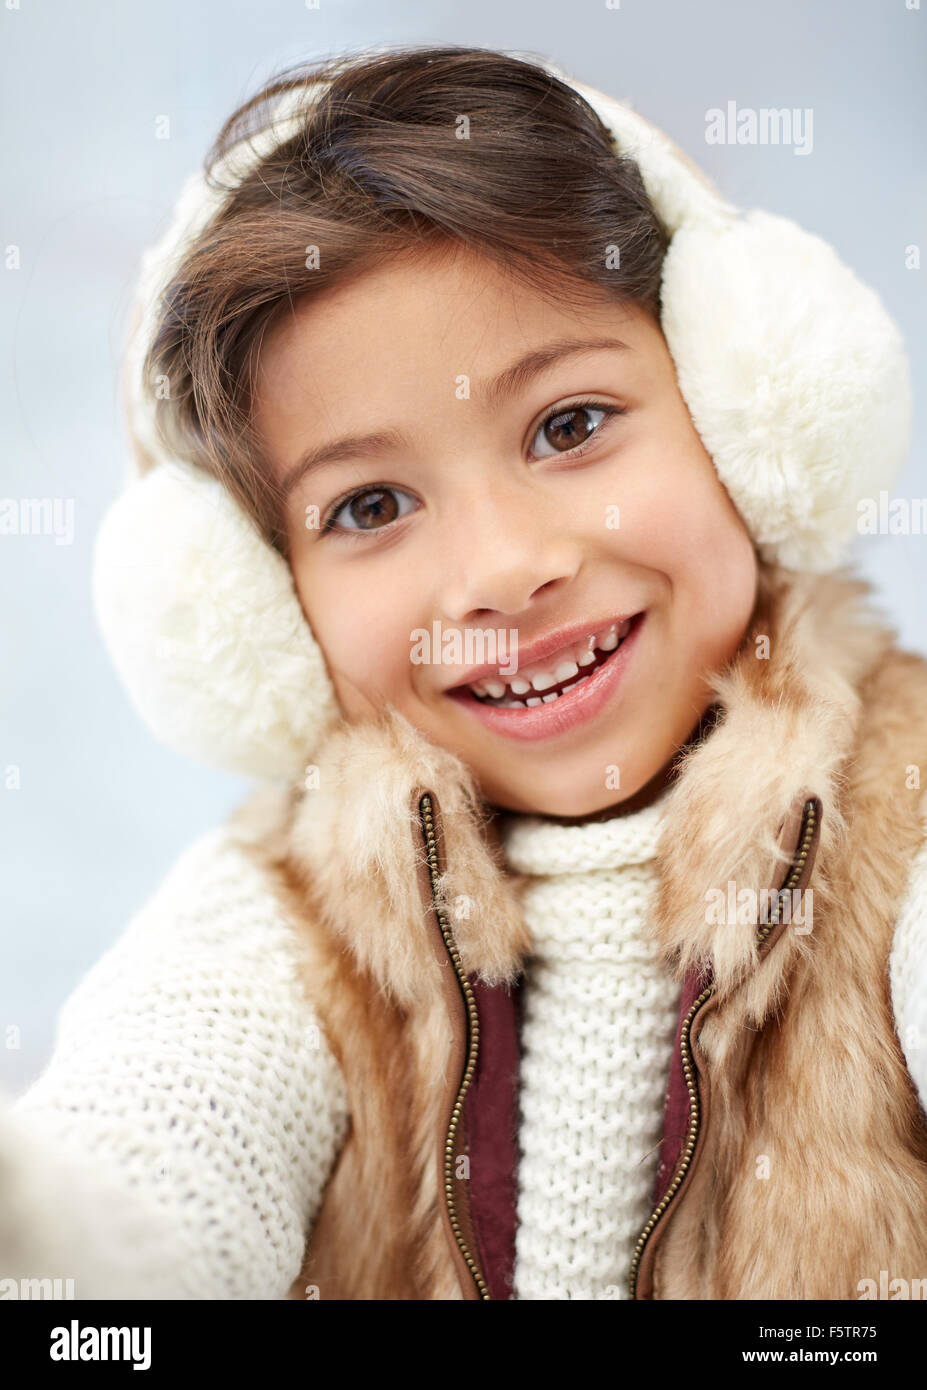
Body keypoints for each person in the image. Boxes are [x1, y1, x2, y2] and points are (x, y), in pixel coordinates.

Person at [3, 43, 926, 1302]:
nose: (501, 570)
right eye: (371, 503)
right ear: (264, 607)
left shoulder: (905, 816)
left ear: (740, 409)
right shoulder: (280, 921)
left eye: (570, 424)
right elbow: (148, 1180)